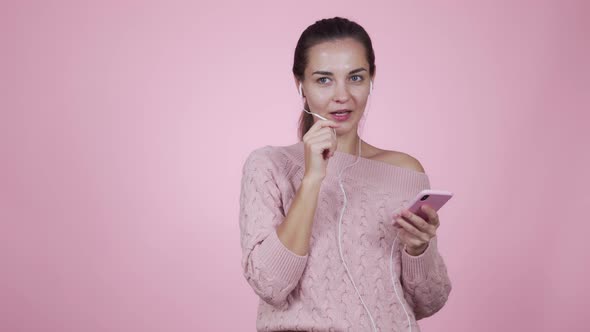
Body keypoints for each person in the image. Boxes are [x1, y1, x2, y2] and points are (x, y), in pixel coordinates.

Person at [239, 17, 452, 332]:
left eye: (355, 77)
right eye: (324, 80)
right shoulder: (269, 165)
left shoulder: (406, 173)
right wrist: (312, 179)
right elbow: (270, 284)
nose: (342, 96)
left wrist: (418, 249)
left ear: (371, 79)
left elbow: (428, 302)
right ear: (300, 84)